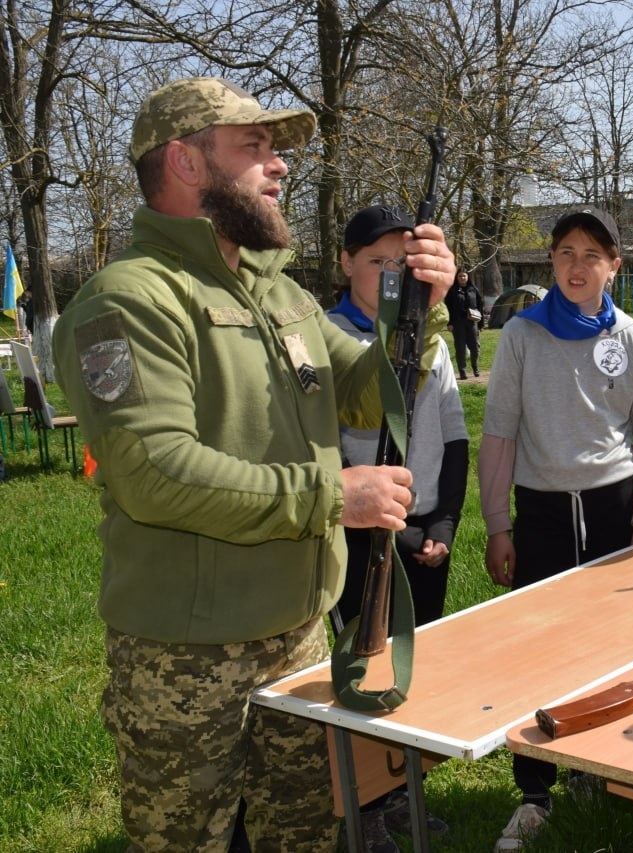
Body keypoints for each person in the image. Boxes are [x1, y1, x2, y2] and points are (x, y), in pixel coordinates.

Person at [50, 77, 456, 851]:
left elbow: (373, 398)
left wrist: (422, 307)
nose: (279, 167)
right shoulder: (129, 300)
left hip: (298, 635)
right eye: (256, 146)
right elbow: (154, 472)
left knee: (301, 835)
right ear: (185, 161)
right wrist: (330, 495)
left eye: (277, 150)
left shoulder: (282, 297)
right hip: (183, 659)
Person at [478, 205, 633, 851]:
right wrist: (496, 524)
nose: (577, 265)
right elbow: (500, 432)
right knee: (538, 652)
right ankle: (534, 793)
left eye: (592, 254)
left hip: (612, 510)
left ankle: (600, 774)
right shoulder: (521, 335)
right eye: (565, 251)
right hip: (540, 514)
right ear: (551, 261)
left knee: (613, 650)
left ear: (614, 266)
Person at [326, 204, 465, 848]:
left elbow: (456, 436)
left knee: (415, 667)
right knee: (361, 667)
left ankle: (407, 786)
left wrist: (442, 521)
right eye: (376, 261)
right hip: (362, 536)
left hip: (424, 534)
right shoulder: (328, 340)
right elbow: (340, 458)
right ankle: (368, 801)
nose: (387, 274)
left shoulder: (424, 337)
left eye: (398, 263)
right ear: (347, 262)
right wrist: (401, 532)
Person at [446, 268, 483, 378]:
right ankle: (462, 371)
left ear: (468, 277)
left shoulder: (473, 289)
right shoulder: (452, 290)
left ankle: (475, 367)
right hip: (458, 323)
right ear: (456, 278)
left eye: (464, 276)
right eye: (460, 276)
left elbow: (480, 305)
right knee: (460, 348)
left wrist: (481, 324)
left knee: (475, 347)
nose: (462, 278)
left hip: (472, 322)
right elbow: (448, 308)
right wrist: (449, 323)